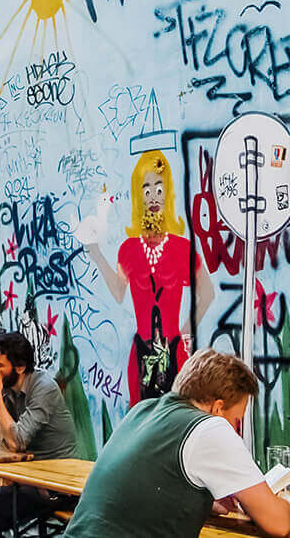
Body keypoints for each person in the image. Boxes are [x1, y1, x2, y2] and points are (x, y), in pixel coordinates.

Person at [65, 349, 290, 538]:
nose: (236, 429)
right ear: (217, 408)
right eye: (236, 421)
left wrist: (203, 502)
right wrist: (282, 503)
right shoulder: (210, 427)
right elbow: (278, 524)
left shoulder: (142, 411)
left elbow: (146, 487)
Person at [83, 150, 215, 403]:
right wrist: (97, 255)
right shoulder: (128, 250)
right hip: (140, 355)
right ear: (138, 197)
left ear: (167, 193)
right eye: (146, 189)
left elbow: (207, 293)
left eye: (159, 188)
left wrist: (184, 332)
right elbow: (119, 292)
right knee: (141, 416)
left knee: (174, 414)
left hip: (174, 353)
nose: (153, 196)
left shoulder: (182, 248)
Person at [0, 330, 79, 537]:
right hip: (26, 480)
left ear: (20, 367)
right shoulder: (7, 387)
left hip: (54, 486)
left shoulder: (44, 388)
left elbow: (17, 442)